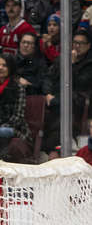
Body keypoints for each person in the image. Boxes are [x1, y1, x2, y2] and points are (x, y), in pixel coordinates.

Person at [42, 29, 92, 158]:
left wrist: (73, 65)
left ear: (88, 45)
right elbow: (48, 77)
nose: (76, 46)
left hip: (77, 101)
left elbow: (81, 83)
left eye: (81, 43)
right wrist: (47, 93)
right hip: (57, 99)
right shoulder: (62, 58)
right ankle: (51, 149)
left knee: (61, 117)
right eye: (75, 42)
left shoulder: (89, 63)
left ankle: (53, 150)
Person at [0, 52, 32, 162]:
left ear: (10, 68)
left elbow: (18, 117)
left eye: (4, 65)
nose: (0, 68)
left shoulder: (18, 87)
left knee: (3, 132)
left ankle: (1, 160)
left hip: (15, 128)